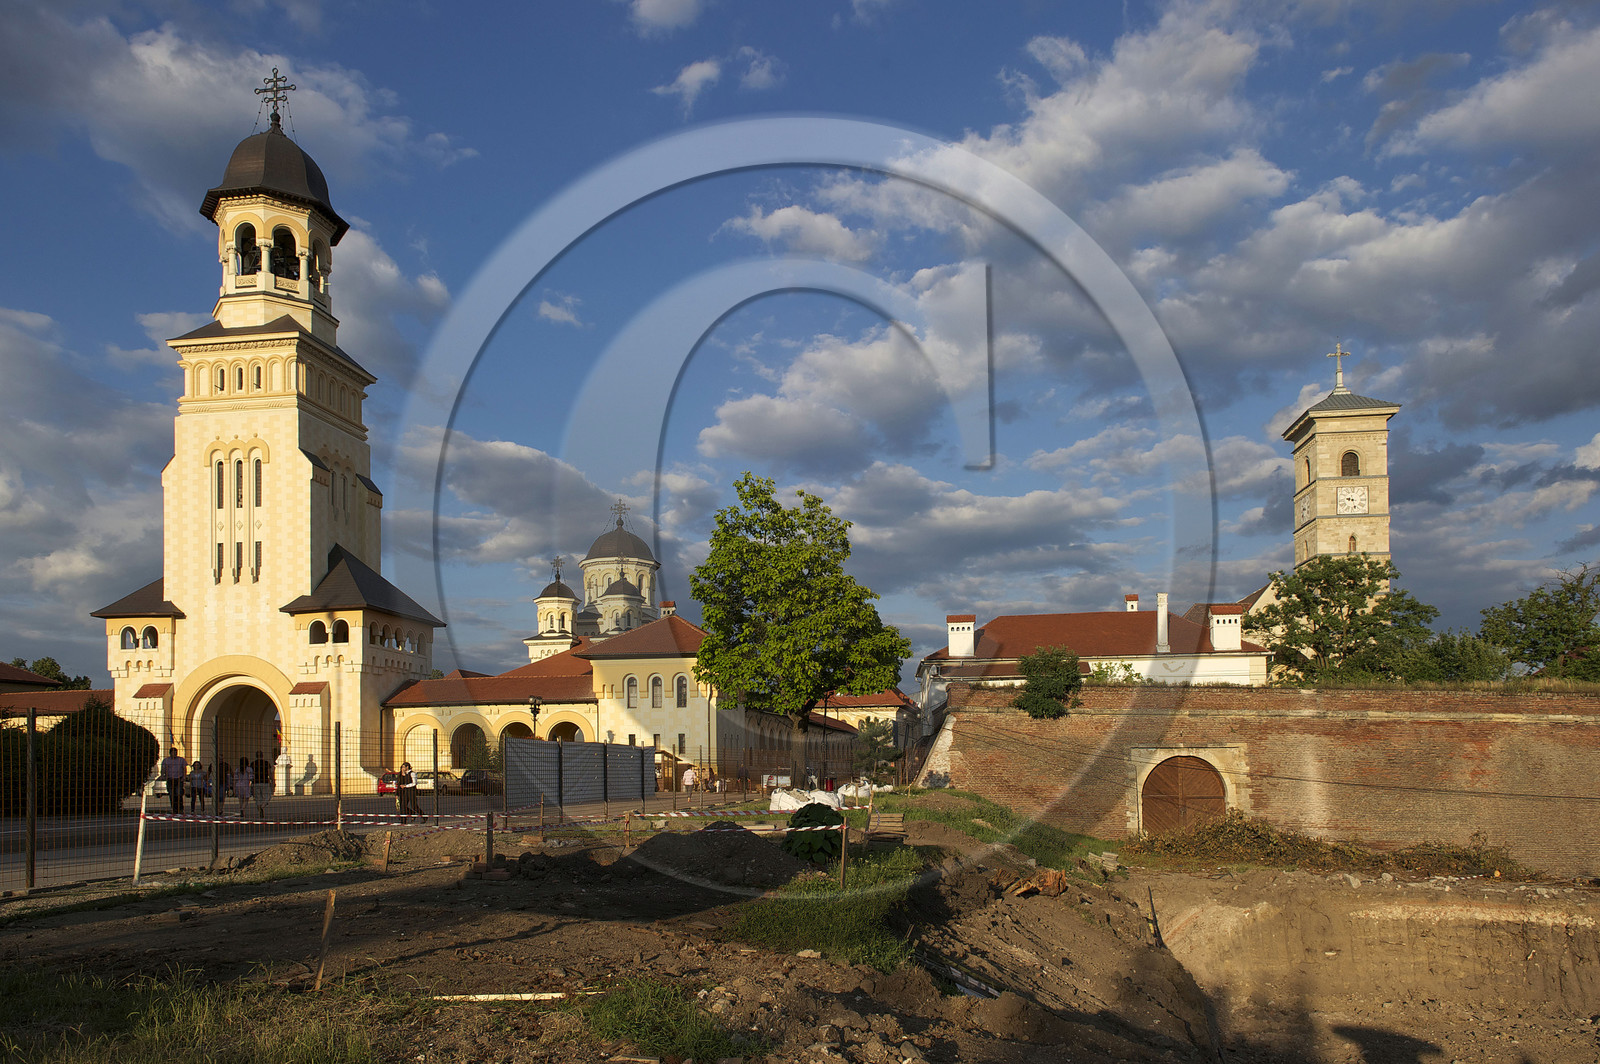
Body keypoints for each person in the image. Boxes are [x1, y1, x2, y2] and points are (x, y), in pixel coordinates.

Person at [160, 747, 187, 815]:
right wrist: (163, 775)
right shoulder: (166, 760)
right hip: (170, 779)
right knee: (172, 794)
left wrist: (184, 777)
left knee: (179, 794)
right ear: (170, 753)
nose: (174, 754)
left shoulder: (181, 760)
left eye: (175, 752)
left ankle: (180, 809)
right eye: (173, 752)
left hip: (178, 779)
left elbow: (184, 768)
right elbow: (163, 768)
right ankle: (174, 809)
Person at [250, 750, 274, 819]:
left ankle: (260, 808)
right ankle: (262, 806)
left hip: (255, 782)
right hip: (265, 781)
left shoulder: (253, 764)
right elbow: (269, 773)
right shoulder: (266, 763)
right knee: (267, 796)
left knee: (258, 798)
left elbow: (251, 774)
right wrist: (272, 780)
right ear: (262, 755)